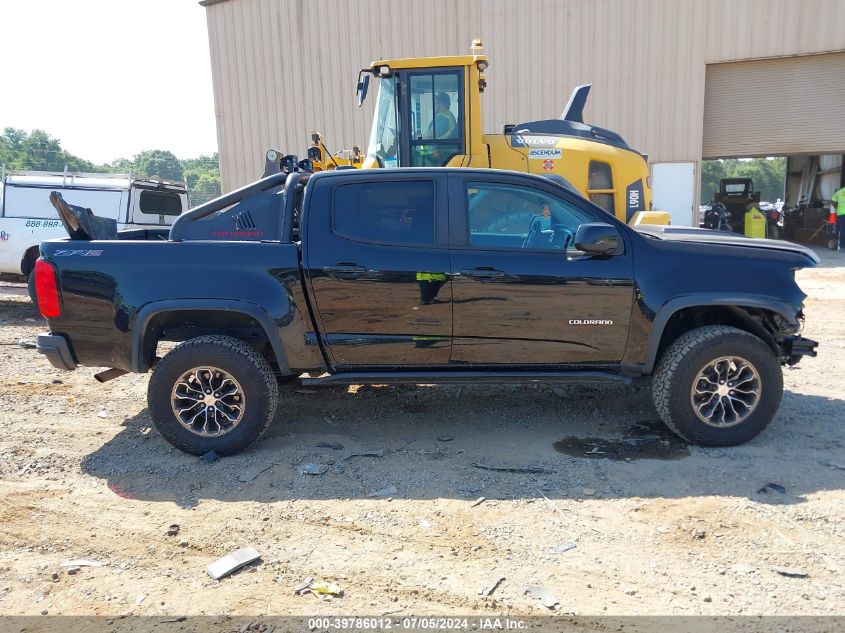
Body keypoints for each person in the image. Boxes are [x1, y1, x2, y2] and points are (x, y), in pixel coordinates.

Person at [832, 184, 845, 252]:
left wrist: (837, 207)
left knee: (843, 231)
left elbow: (833, 201)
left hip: (841, 214)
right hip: (841, 214)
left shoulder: (839, 192)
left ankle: (842, 247)